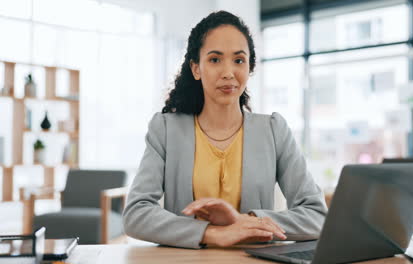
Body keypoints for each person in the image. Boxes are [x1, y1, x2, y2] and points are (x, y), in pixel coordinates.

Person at [123, 10, 327, 249]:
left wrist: (247, 222)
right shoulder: (166, 129)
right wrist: (211, 233)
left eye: (239, 60)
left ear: (249, 67)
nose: (229, 73)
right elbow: (136, 214)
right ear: (196, 68)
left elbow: (318, 217)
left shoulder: (274, 130)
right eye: (215, 59)